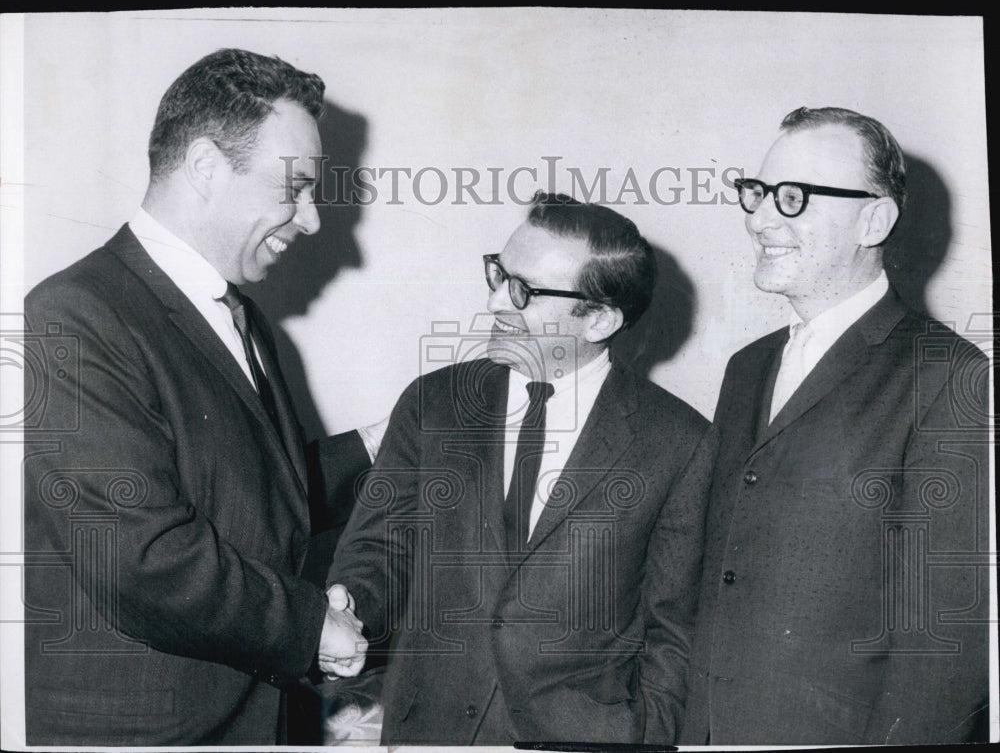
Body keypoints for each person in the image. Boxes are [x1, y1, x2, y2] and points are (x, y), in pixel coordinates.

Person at [22, 48, 377, 745]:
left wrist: (378, 441)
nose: (310, 220)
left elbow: (251, 501)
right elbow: (143, 559)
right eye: (297, 187)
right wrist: (311, 626)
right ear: (208, 167)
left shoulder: (242, 319)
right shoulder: (71, 315)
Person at [326, 192, 713, 745]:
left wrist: (643, 738)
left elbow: (674, 631)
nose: (495, 304)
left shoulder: (680, 443)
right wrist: (350, 610)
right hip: (430, 732)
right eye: (498, 275)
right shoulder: (431, 404)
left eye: (524, 291)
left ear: (599, 319)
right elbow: (379, 548)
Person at [680, 107, 990, 745]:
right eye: (758, 193)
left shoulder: (949, 374)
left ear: (873, 219)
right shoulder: (748, 367)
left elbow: (943, 649)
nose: (760, 218)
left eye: (792, 198)